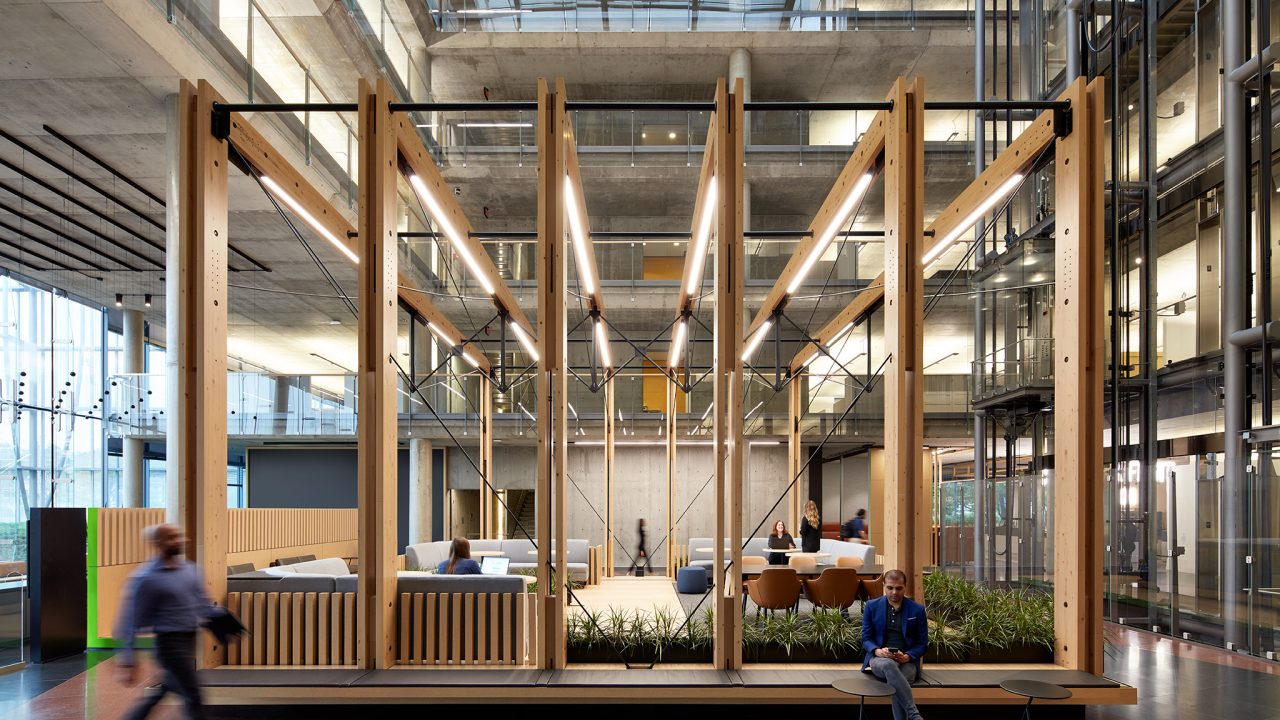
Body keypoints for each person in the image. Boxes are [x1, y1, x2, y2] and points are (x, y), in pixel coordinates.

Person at [116, 524, 216, 720]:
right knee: (193, 694)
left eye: (178, 536)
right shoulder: (146, 578)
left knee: (167, 687)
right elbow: (129, 620)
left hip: (190, 640)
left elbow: (202, 602)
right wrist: (127, 660)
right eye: (171, 537)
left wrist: (222, 619)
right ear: (158, 543)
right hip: (170, 644)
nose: (178, 540)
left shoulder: (190, 570)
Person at [861, 569, 928, 720]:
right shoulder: (872, 606)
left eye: (899, 588)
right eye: (890, 588)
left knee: (898, 683)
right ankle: (914, 714)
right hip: (880, 660)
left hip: (907, 662)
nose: (894, 592)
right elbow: (866, 639)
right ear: (884, 586)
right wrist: (877, 651)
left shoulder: (917, 610)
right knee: (889, 666)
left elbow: (922, 644)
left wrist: (908, 656)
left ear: (905, 587)